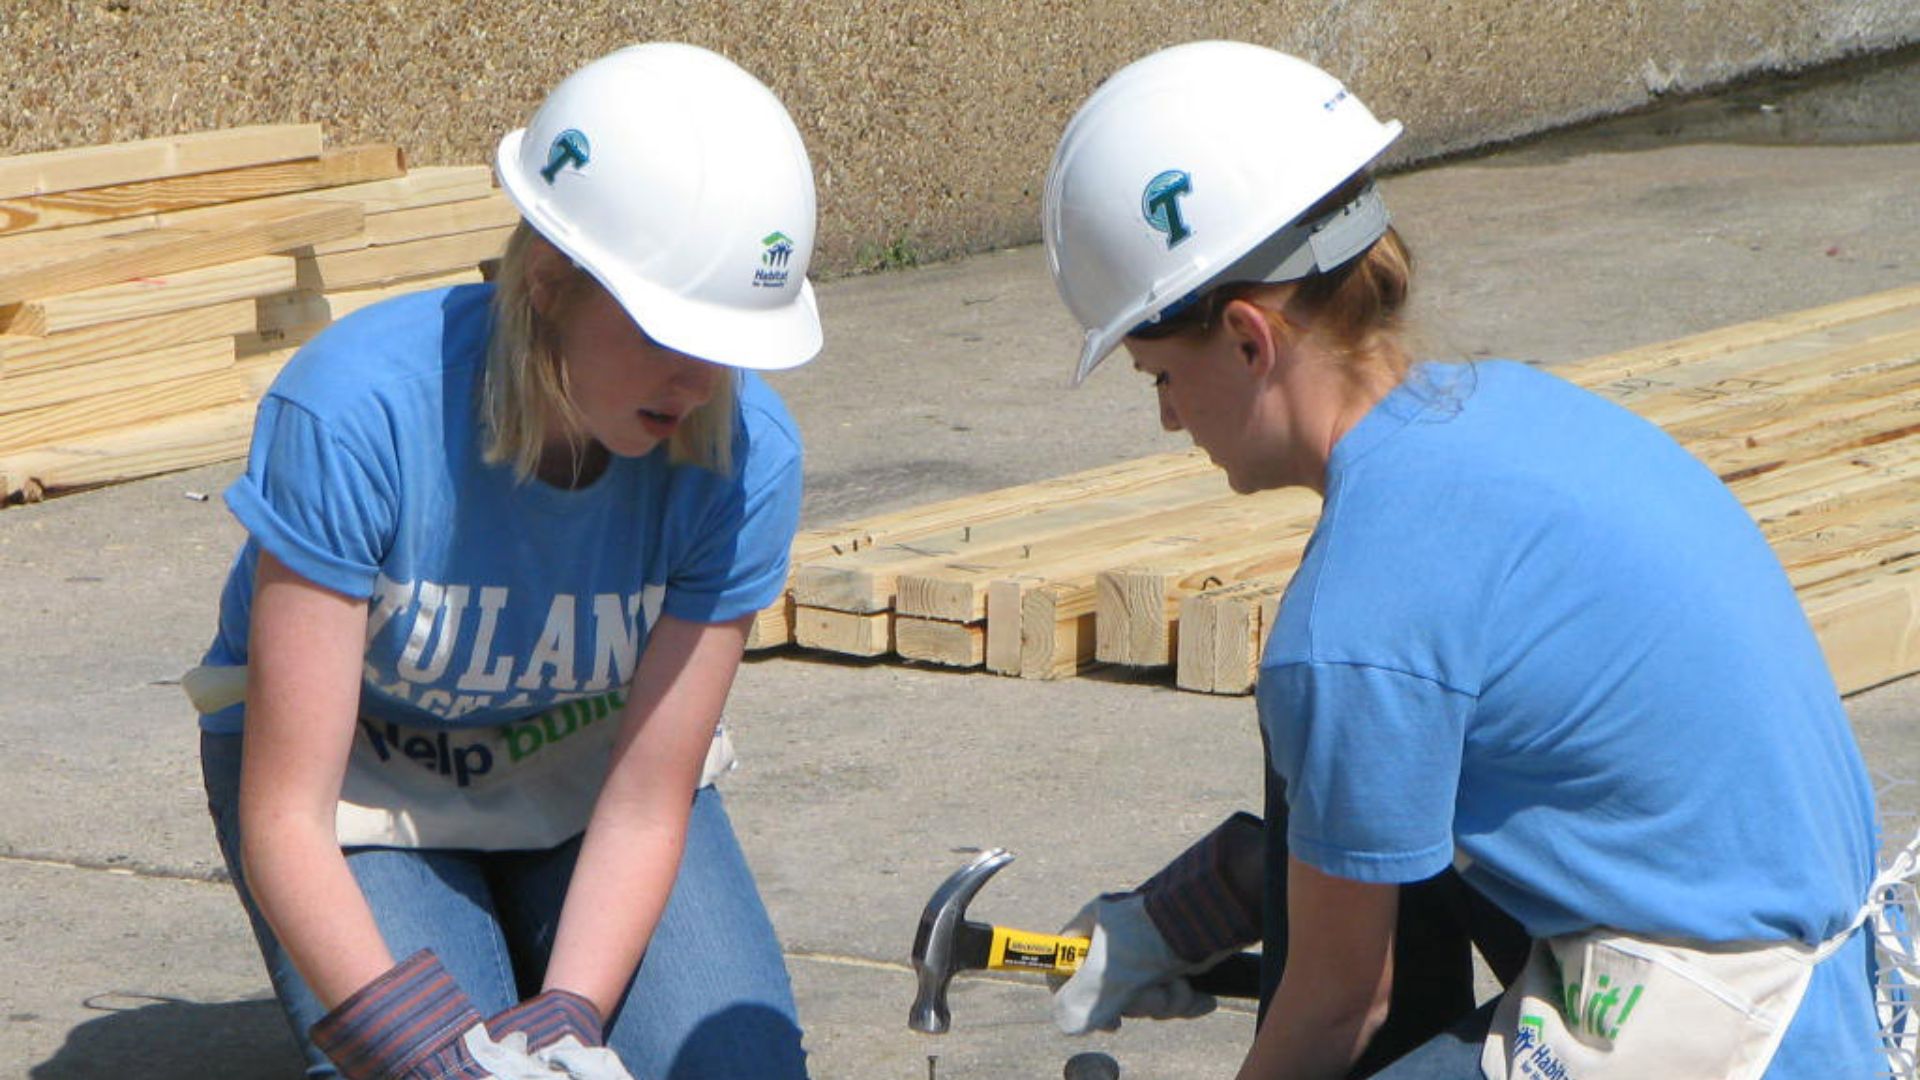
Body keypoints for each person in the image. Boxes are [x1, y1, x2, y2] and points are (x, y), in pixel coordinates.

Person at [1038, 40, 1912, 1079]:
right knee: (1312, 743)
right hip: (1841, 960)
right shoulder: (1515, 415)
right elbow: (1400, 804)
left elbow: (1336, 1010)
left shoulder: (1357, 617)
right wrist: (1209, 901)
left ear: (1245, 338)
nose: (1171, 418)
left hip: (1743, 1030)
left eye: (1158, 378)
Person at [188, 43, 819, 1079]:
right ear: (548, 282)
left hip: (588, 775)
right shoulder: (356, 414)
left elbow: (651, 796)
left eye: (731, 341)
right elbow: (285, 820)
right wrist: (428, 1052)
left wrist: (571, 1010)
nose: (702, 381)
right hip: (363, 786)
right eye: (672, 332)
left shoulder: (748, 460)